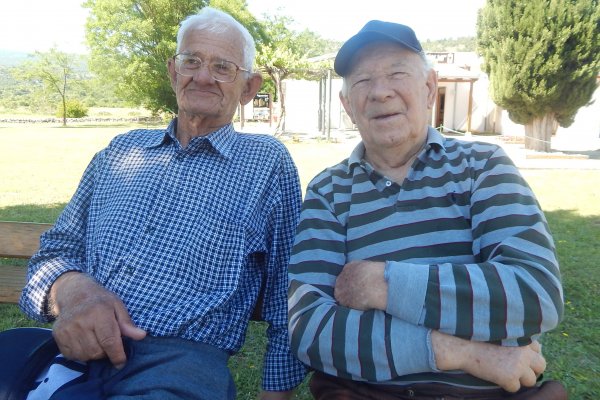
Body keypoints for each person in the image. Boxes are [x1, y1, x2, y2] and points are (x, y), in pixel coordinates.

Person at [20, 7, 306, 400]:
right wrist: (75, 293)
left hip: (179, 362)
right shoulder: (120, 151)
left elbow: (285, 295)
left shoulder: (266, 163)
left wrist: (276, 394)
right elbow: (55, 251)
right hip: (74, 354)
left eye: (223, 67)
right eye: (192, 61)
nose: (203, 76)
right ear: (173, 71)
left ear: (249, 87)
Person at [287, 20, 566, 399]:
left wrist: (383, 285)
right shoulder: (328, 190)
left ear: (430, 87)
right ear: (347, 105)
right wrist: (465, 353)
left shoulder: (482, 166)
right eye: (363, 82)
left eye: (397, 74)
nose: (380, 92)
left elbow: (535, 293)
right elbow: (310, 329)